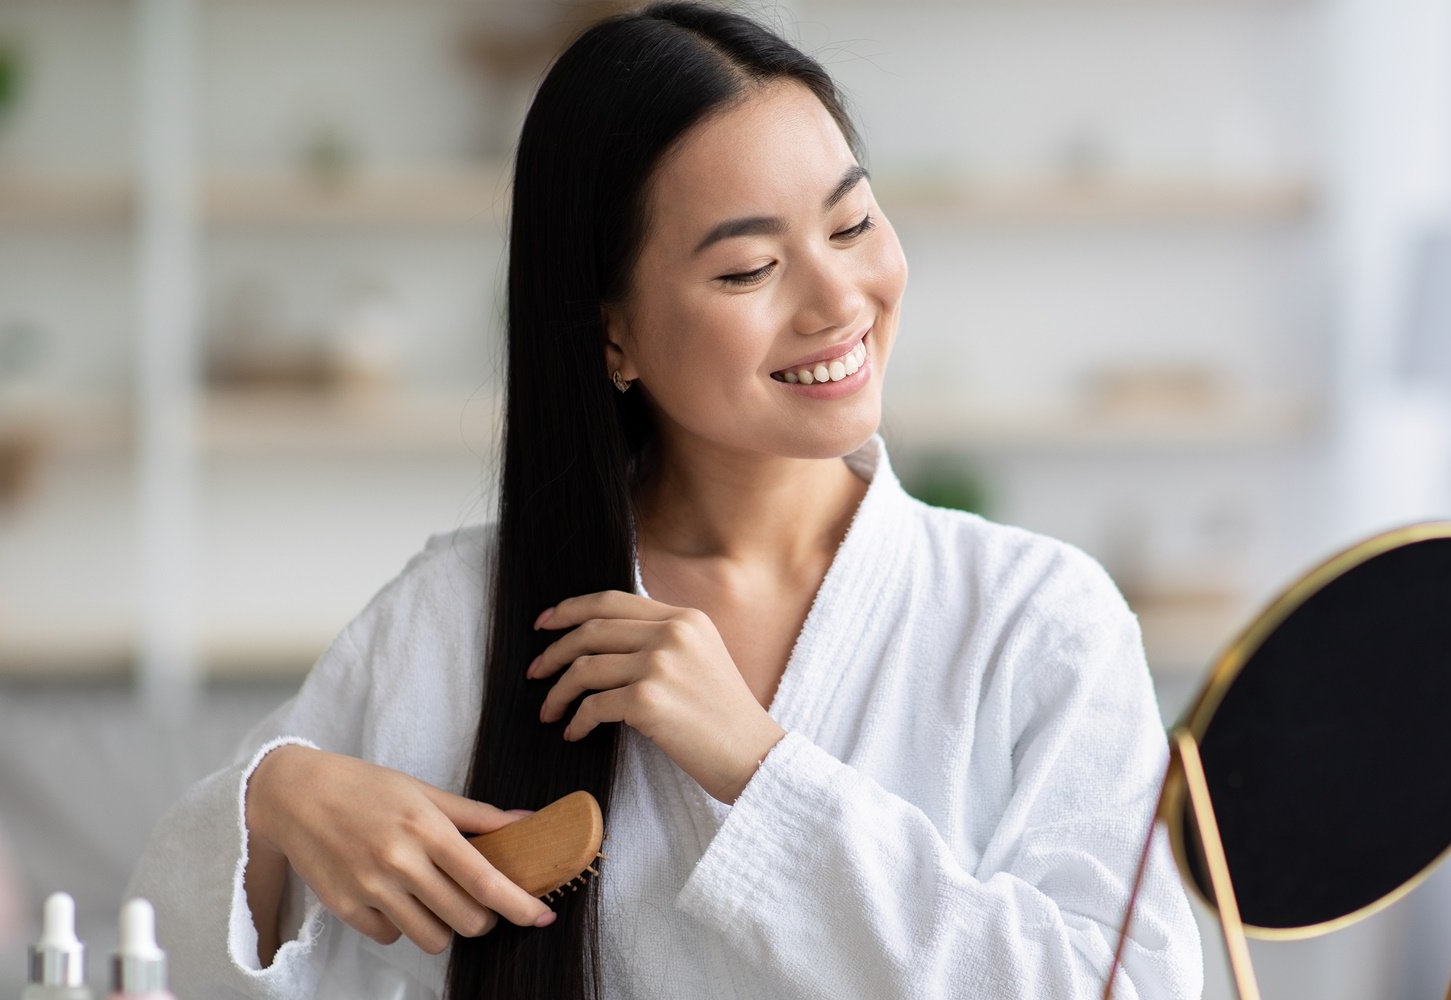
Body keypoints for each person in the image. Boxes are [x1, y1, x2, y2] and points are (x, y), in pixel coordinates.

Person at [124, 3, 1203, 997]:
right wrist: (274, 806)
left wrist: (759, 766)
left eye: (852, 224)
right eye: (747, 271)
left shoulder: (1039, 618)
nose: (839, 299)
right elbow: (148, 954)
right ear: (613, 336)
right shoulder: (463, 615)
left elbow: (1125, 985)